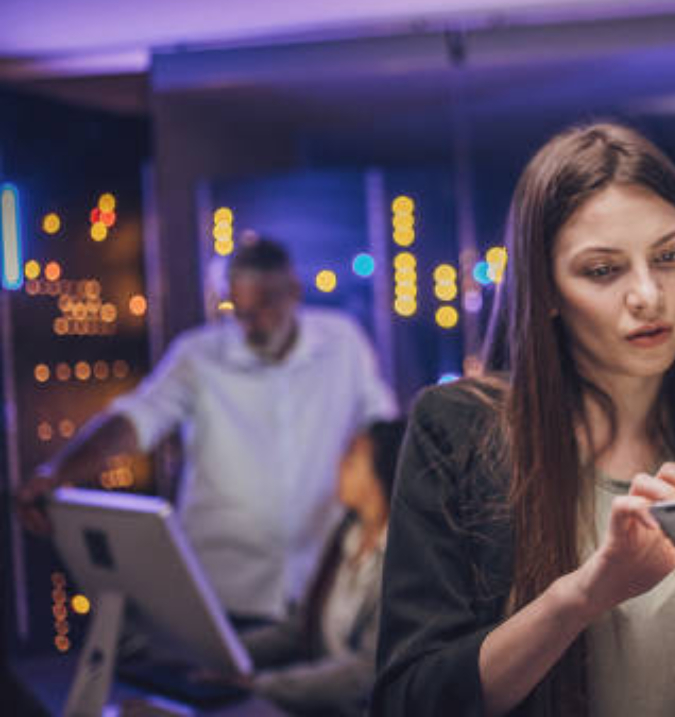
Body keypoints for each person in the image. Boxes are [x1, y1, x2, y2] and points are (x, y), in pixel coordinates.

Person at [371, 123, 675, 716]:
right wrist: (584, 593)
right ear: (545, 289)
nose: (648, 295)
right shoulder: (458, 433)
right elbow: (408, 700)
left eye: (669, 257)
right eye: (604, 271)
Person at [17, 237, 398, 623]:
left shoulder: (343, 342)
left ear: (293, 292)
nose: (252, 325)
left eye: (264, 306)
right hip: (224, 592)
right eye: (240, 310)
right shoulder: (197, 355)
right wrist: (58, 472)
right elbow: (136, 419)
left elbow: (380, 427)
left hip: (322, 587)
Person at [237, 418, 406, 715]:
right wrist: (228, 651)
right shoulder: (345, 533)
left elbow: (367, 671)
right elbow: (301, 627)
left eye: (352, 456)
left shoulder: (402, 556)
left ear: (381, 472)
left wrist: (260, 685)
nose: (340, 463)